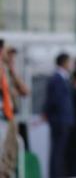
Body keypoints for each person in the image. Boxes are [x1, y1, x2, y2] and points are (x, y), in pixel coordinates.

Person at [43, 53, 75, 178]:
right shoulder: (57, 78)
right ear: (64, 62)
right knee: (57, 151)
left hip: (63, 119)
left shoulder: (63, 78)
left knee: (60, 151)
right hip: (59, 119)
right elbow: (56, 100)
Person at [0, 39, 18, 177]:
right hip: (3, 116)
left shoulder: (5, 68)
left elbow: (24, 91)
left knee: (9, 154)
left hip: (8, 114)